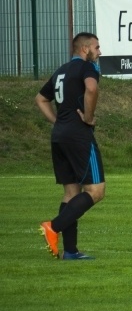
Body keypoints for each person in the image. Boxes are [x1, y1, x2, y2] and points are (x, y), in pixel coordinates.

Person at [35, 32, 104, 260]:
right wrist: (88, 117)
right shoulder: (87, 67)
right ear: (85, 49)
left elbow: (41, 99)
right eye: (97, 47)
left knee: (71, 192)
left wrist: (57, 121)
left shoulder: (61, 70)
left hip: (60, 136)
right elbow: (92, 89)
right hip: (78, 137)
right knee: (95, 191)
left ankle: (71, 251)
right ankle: (53, 227)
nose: (99, 51)